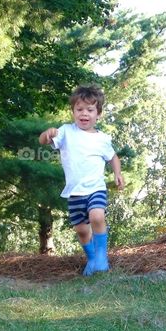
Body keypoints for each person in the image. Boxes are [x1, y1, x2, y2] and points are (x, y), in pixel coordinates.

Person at [39, 84, 124, 275]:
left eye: (90, 109)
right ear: (73, 112)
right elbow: (43, 142)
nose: (84, 113)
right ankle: (92, 259)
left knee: (97, 216)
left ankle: (101, 256)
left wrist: (117, 173)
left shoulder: (102, 139)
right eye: (79, 109)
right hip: (75, 192)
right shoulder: (66, 131)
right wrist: (47, 134)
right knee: (82, 231)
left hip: (96, 188)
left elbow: (113, 157)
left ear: (98, 114)